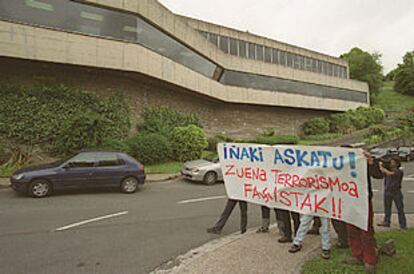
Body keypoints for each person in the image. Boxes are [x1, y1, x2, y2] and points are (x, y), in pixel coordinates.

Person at [343, 149, 382, 274]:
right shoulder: (338, 166)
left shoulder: (363, 162)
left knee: (366, 231)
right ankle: (358, 255)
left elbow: (378, 175)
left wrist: (371, 161)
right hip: (347, 200)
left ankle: (370, 260)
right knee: (351, 230)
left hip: (363, 201)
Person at [377, 157, 407, 230]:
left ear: (397, 164)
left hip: (396, 192)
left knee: (400, 208)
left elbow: (390, 174)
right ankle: (386, 221)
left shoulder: (399, 171)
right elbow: (382, 174)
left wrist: (381, 167)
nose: (391, 163)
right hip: (388, 191)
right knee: (387, 208)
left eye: (392, 162)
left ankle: (403, 224)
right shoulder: (389, 170)